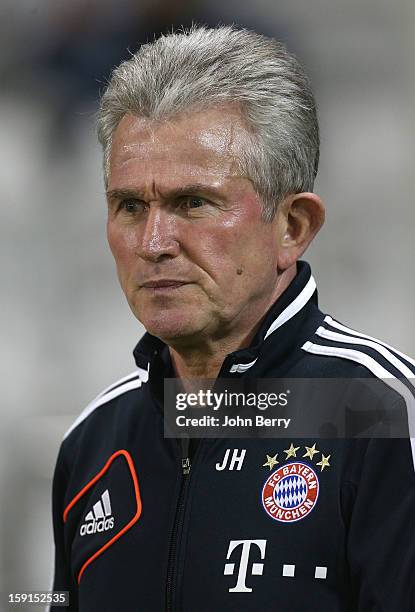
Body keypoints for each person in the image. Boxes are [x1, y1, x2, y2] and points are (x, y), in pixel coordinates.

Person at [49, 25, 415, 611]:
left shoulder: (383, 415)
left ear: (292, 226)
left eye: (193, 202)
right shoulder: (92, 443)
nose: (154, 242)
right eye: (129, 206)